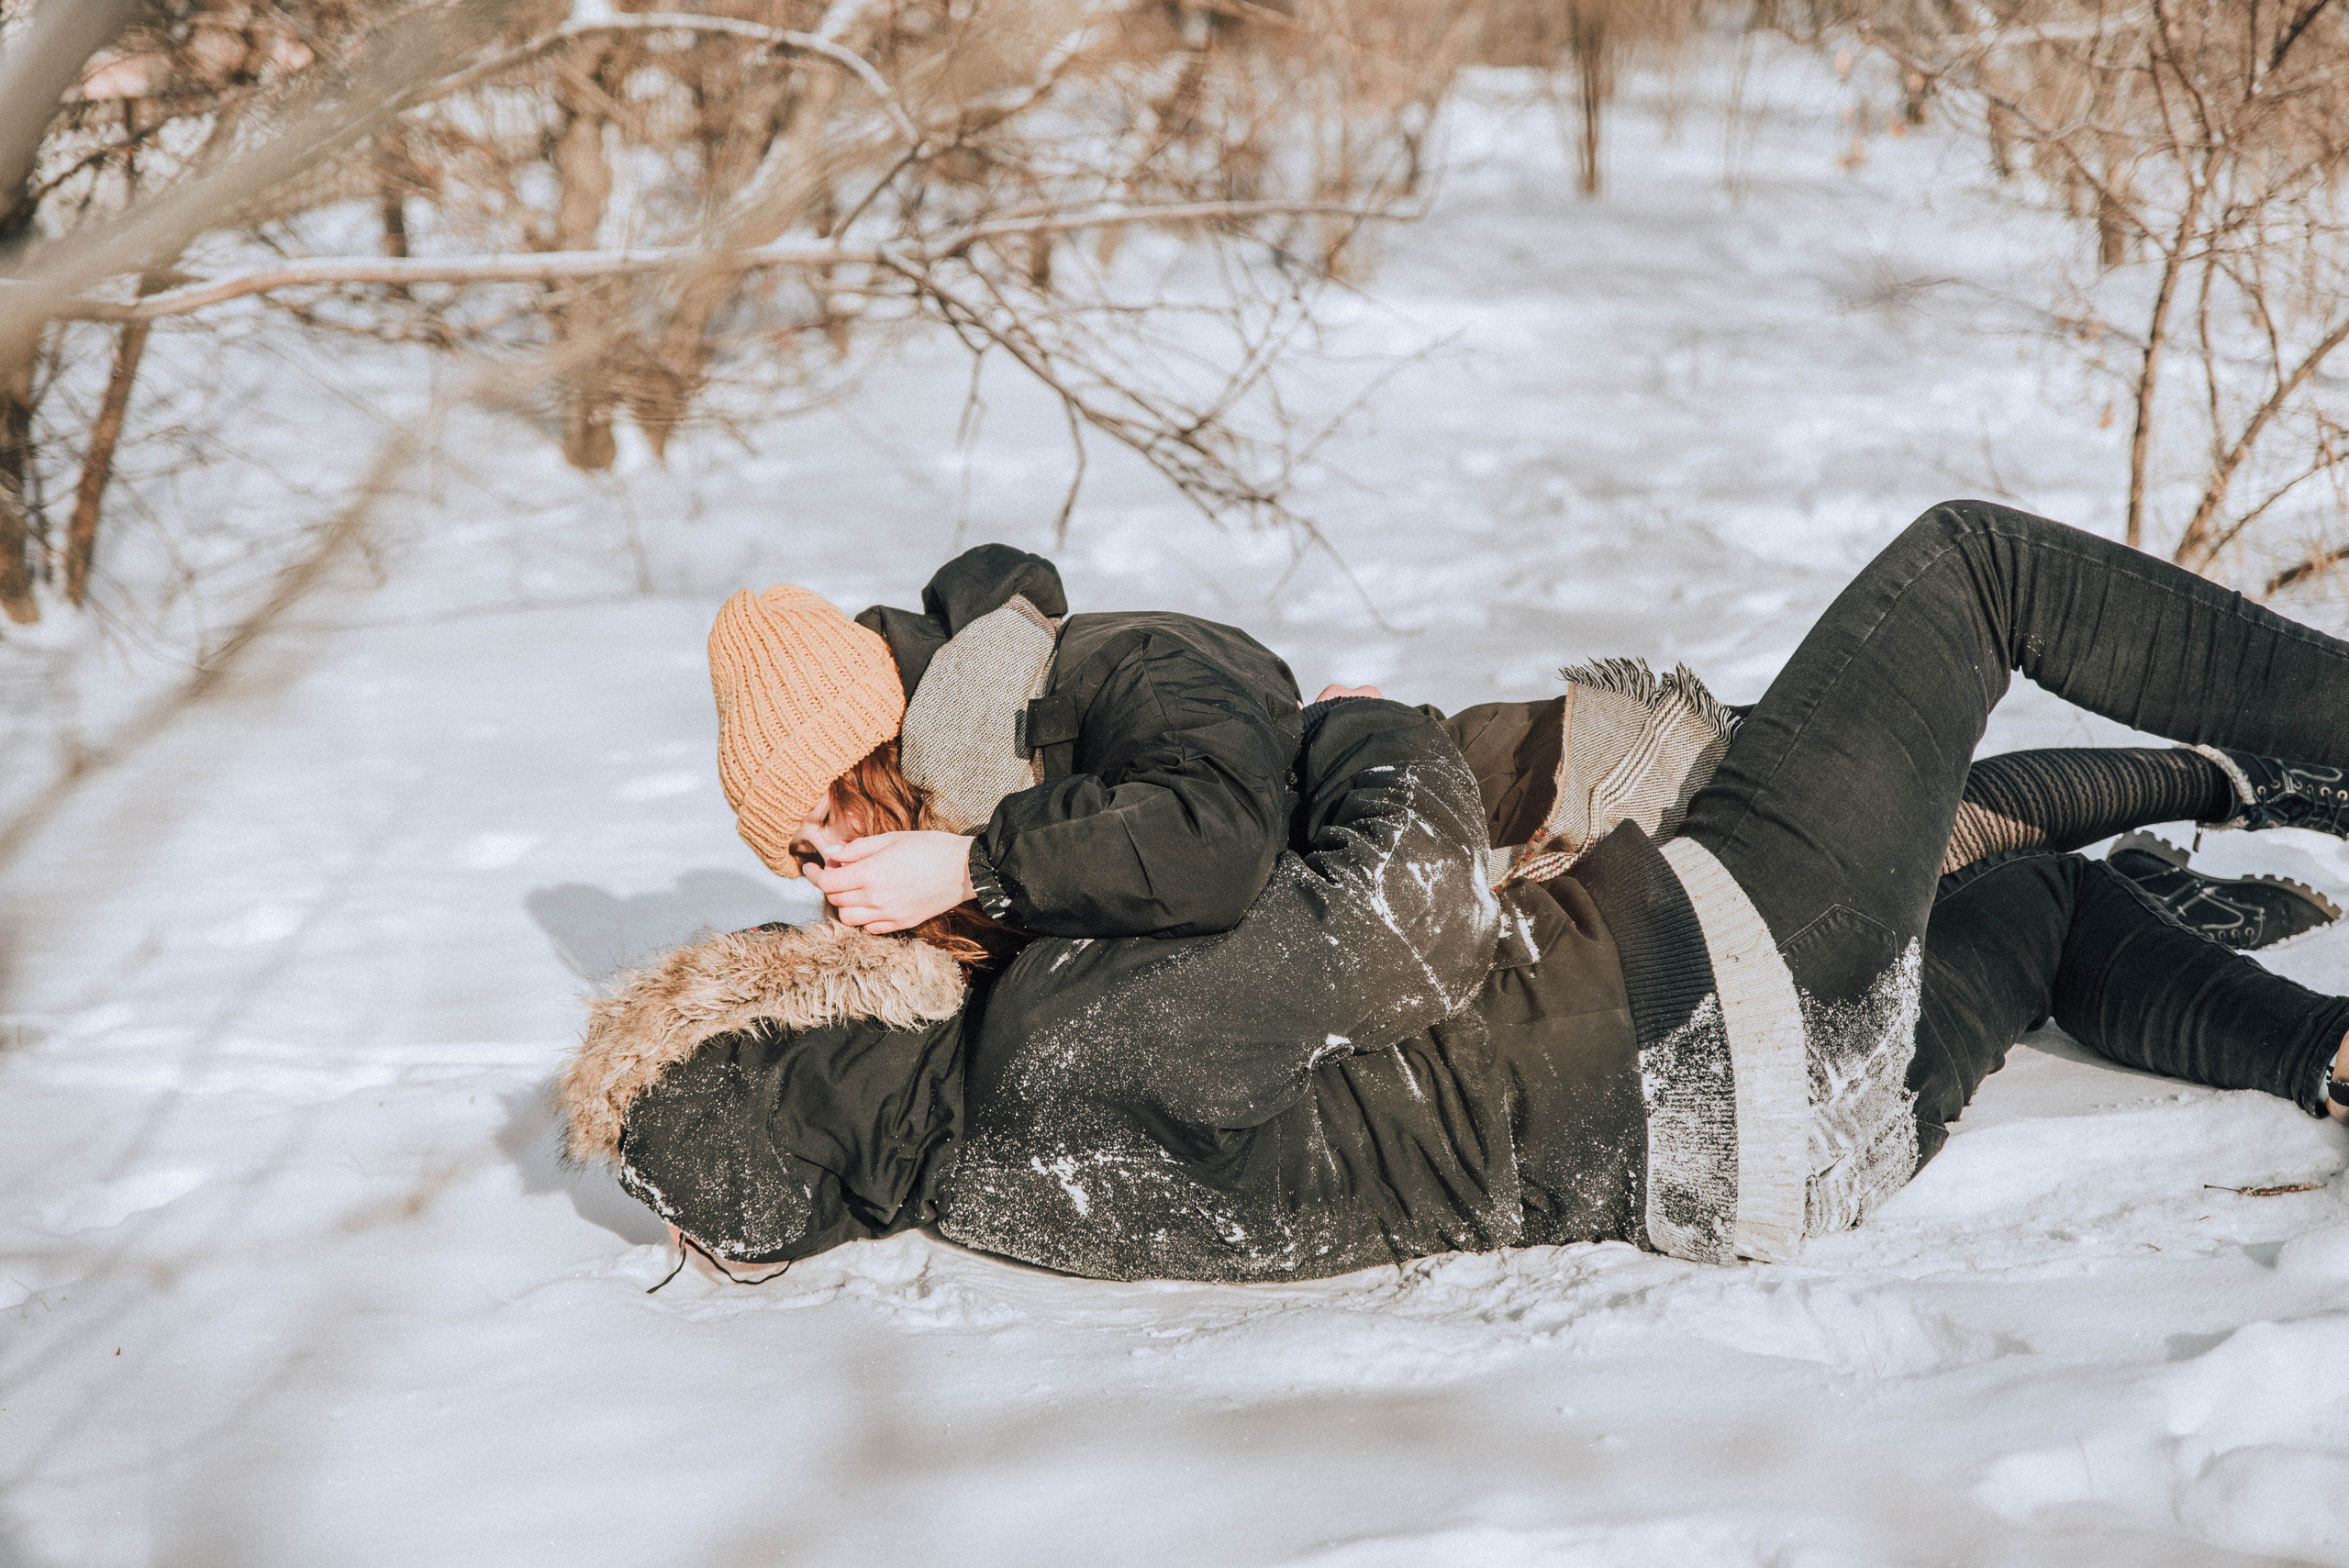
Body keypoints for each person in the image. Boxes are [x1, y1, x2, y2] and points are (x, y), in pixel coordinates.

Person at [562, 502, 2349, 1282]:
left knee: (2027, 913)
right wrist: (1365, 739)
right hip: (1699, 998)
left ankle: (2322, 1055)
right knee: (1969, 573)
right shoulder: (1048, 1041)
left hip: (1782, 1171)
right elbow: (1401, 912)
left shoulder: (999, 1186)